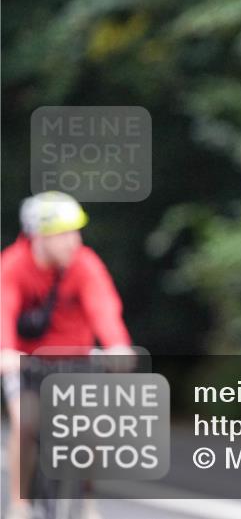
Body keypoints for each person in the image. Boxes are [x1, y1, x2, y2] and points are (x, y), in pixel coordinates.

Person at [1, 192, 133, 519]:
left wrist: (117, 344)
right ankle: (19, 504)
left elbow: (103, 307)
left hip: (77, 357)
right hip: (27, 361)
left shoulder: (85, 264)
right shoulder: (14, 265)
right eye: (62, 234)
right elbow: (2, 308)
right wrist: (4, 351)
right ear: (39, 237)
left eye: (75, 232)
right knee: (26, 424)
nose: (73, 242)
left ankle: (84, 498)